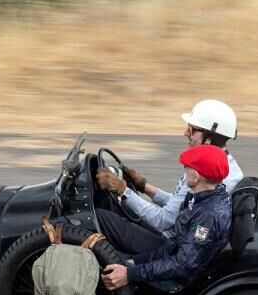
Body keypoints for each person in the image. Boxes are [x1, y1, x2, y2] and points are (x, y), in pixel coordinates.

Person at [95, 99, 243, 239]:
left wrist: (123, 190)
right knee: (115, 207)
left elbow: (163, 221)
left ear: (209, 139)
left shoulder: (209, 172)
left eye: (191, 130)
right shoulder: (219, 164)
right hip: (176, 233)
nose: (185, 133)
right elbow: (180, 205)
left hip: (170, 243)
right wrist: (144, 186)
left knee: (102, 216)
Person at [99, 144, 232, 291]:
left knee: (100, 262)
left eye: (186, 167)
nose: (185, 171)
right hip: (169, 262)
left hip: (176, 282)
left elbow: (184, 264)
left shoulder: (207, 218)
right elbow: (174, 247)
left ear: (195, 175)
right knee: (114, 259)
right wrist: (135, 262)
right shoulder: (204, 197)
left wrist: (131, 273)